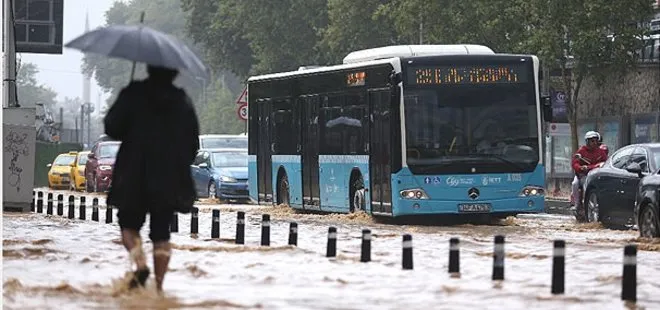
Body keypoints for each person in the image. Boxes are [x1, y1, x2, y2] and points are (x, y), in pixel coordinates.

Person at [104, 65, 200, 292]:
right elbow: (192, 142)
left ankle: (140, 263)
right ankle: (158, 288)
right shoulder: (181, 100)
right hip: (168, 176)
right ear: (174, 73)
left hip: (133, 173)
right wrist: (178, 164)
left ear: (148, 69)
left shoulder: (133, 93)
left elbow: (112, 127)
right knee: (161, 232)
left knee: (128, 223)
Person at [570, 131, 608, 208]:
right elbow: (575, 163)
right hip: (583, 175)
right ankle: (577, 204)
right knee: (574, 184)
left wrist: (591, 167)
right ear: (587, 141)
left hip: (595, 176)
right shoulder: (581, 151)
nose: (594, 143)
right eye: (592, 141)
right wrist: (580, 168)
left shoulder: (601, 152)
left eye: (596, 141)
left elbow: (604, 162)